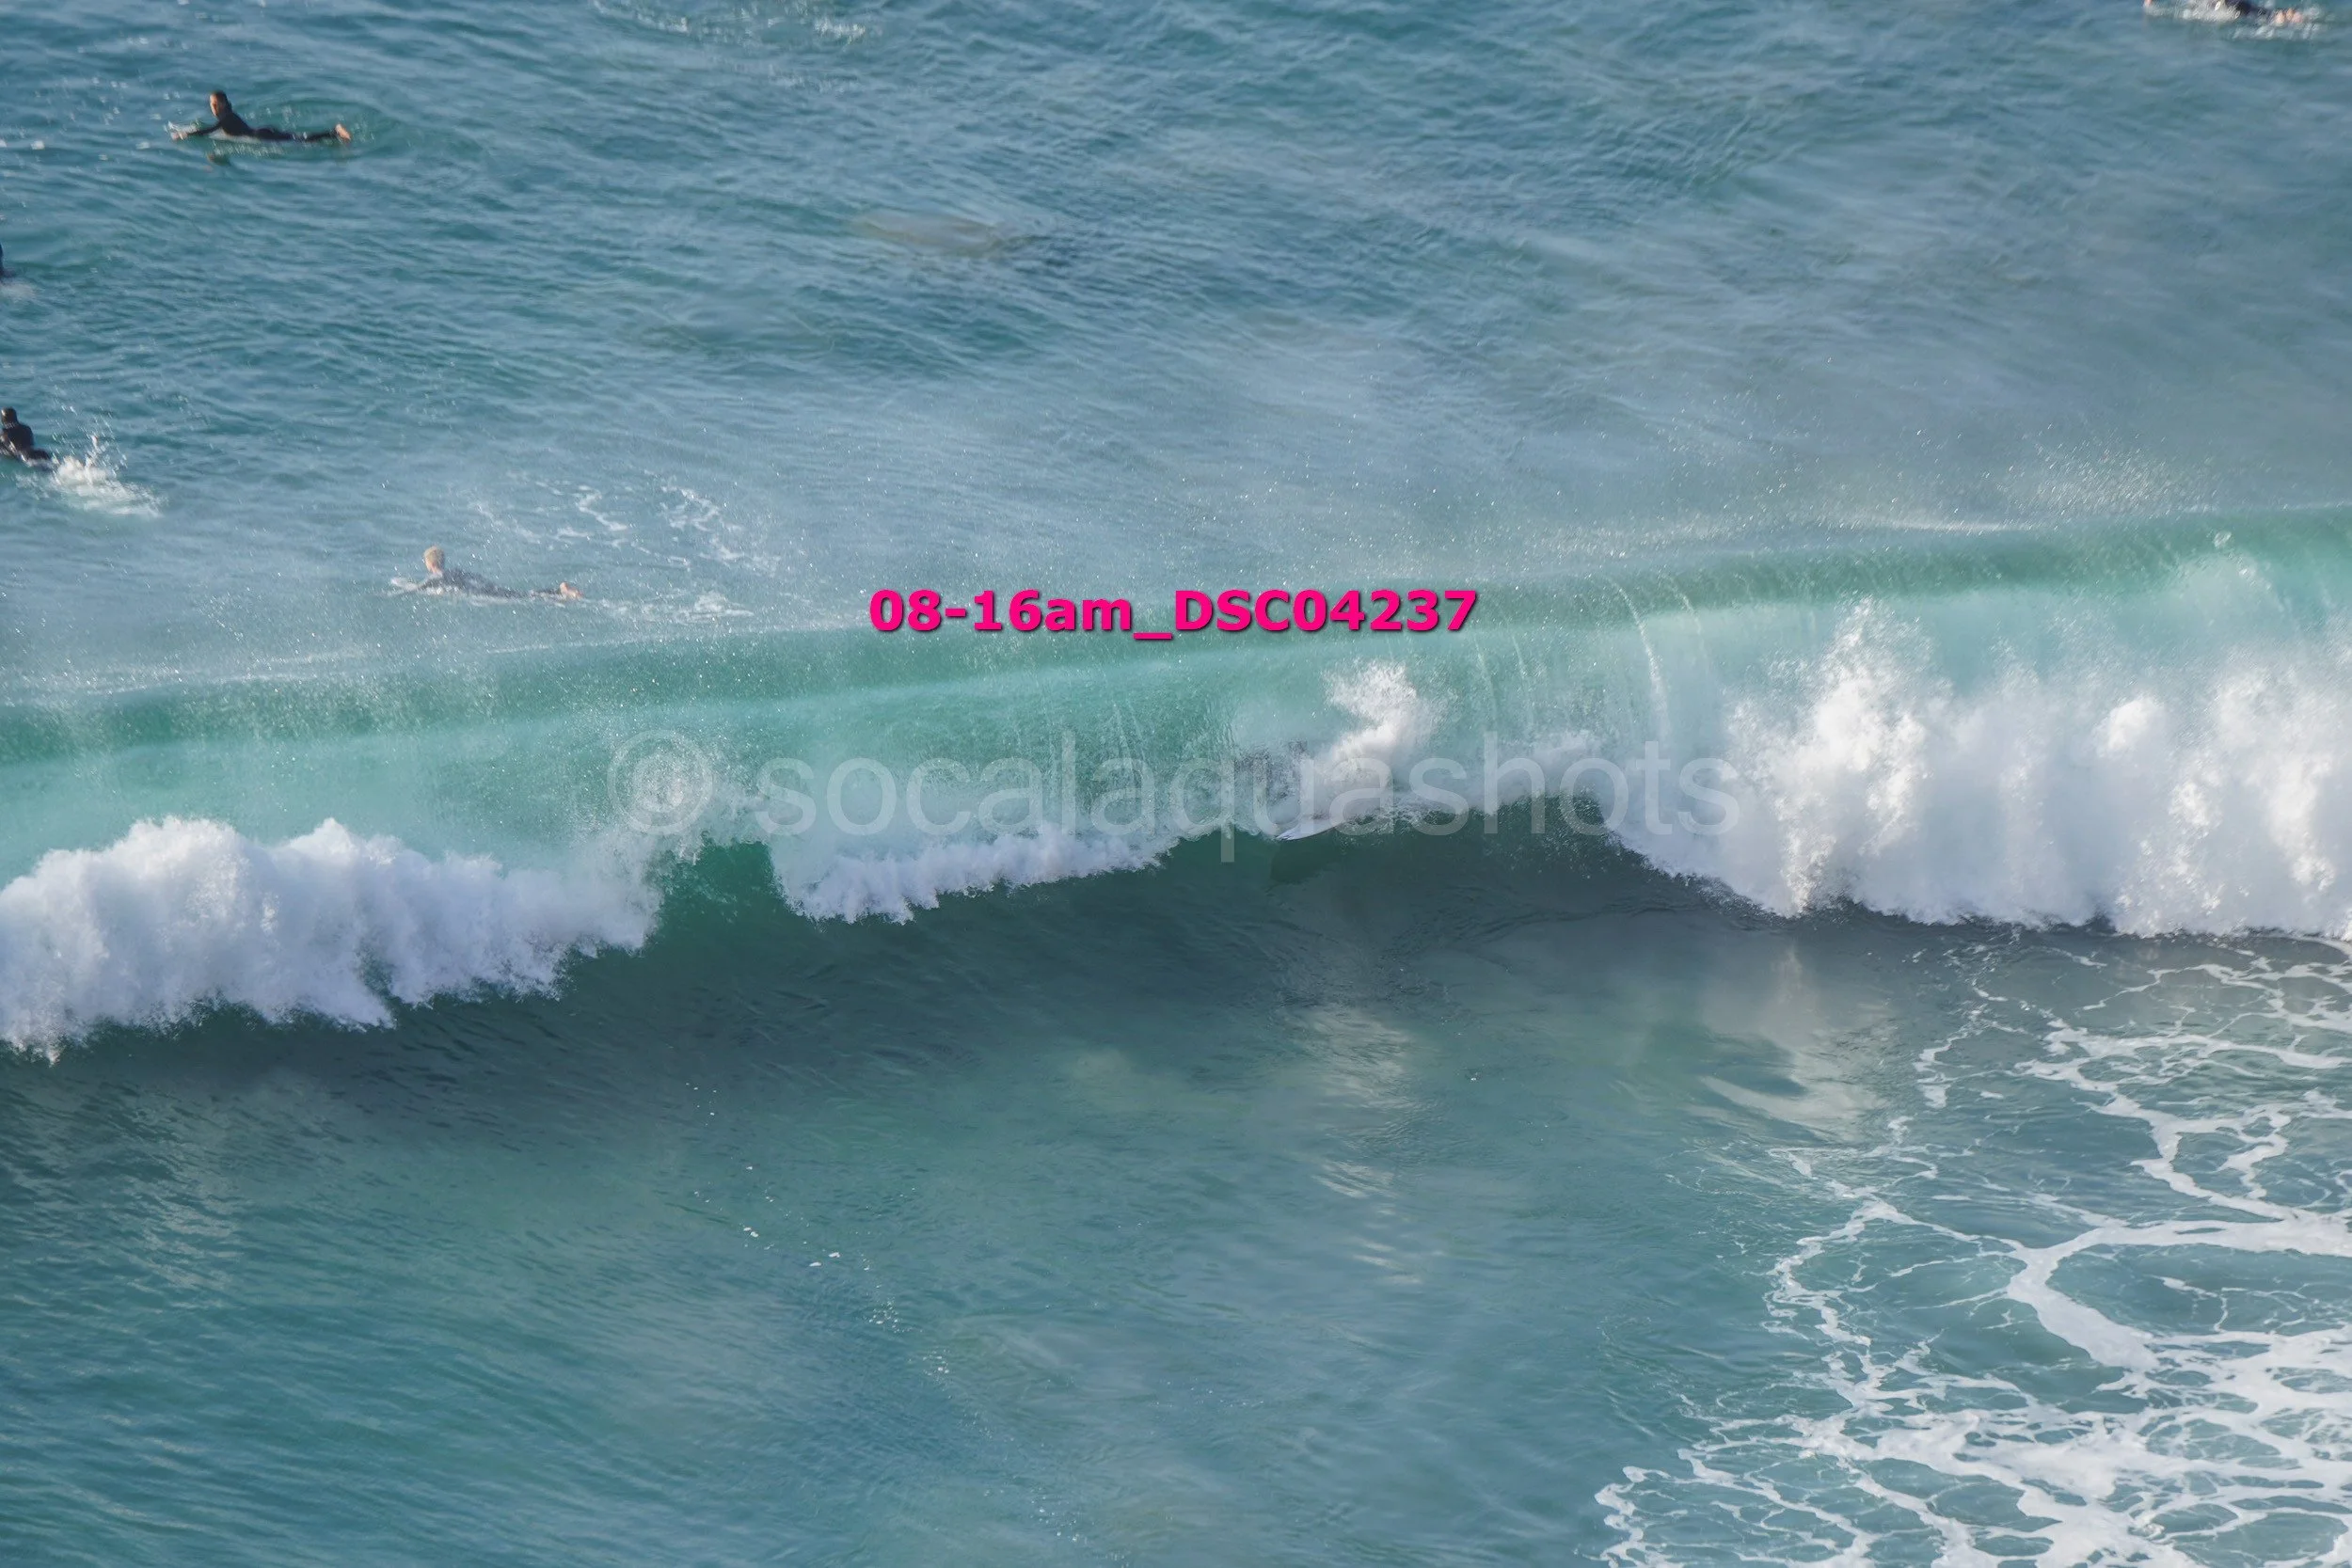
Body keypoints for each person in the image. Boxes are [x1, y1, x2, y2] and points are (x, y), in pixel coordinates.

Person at [172, 91, 350, 145]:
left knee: (300, 140)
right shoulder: (228, 115)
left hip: (261, 135)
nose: (213, 108)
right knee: (297, 138)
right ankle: (333, 133)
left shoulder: (226, 117)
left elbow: (210, 130)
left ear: (223, 104)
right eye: (212, 104)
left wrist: (186, 135)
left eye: (215, 104)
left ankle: (334, 132)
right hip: (262, 131)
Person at [420, 547, 582, 601]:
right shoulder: (454, 571)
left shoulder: (437, 576)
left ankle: (561, 593)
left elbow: (419, 588)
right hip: (487, 586)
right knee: (523, 594)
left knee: (524, 597)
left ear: (431, 564)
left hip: (483, 592)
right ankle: (558, 591)